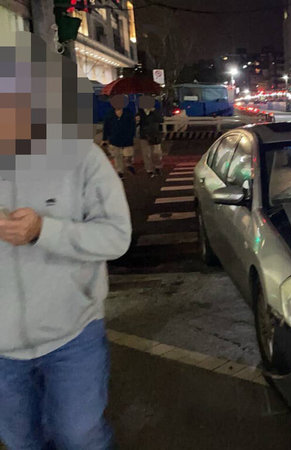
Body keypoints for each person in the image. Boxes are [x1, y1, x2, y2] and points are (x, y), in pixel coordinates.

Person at [0, 30, 132, 449]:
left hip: (73, 335)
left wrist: (44, 231)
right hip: (2, 351)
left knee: (79, 437)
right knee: (21, 443)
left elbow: (117, 236)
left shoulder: (81, 157)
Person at [103, 94, 137, 178]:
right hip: (114, 138)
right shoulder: (110, 114)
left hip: (127, 138)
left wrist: (132, 134)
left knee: (128, 155)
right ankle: (120, 172)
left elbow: (132, 125)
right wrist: (105, 138)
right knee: (117, 156)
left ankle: (129, 164)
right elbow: (106, 126)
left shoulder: (128, 112)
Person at [137, 95, 164, 178]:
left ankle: (158, 167)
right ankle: (149, 170)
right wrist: (136, 120)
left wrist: (154, 111)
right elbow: (136, 123)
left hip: (155, 134)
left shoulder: (156, 111)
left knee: (157, 153)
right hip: (144, 135)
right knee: (146, 154)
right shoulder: (140, 112)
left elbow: (161, 120)